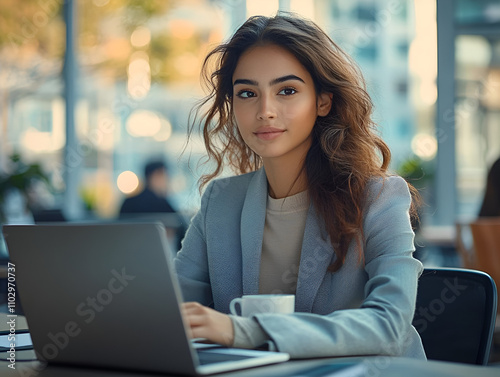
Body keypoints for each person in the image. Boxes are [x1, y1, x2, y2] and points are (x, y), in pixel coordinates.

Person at [175, 14, 425, 359]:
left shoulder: (378, 197)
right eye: (247, 93)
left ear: (323, 101)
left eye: (287, 91)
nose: (265, 110)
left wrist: (246, 331)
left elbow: (390, 326)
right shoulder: (221, 201)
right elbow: (173, 310)